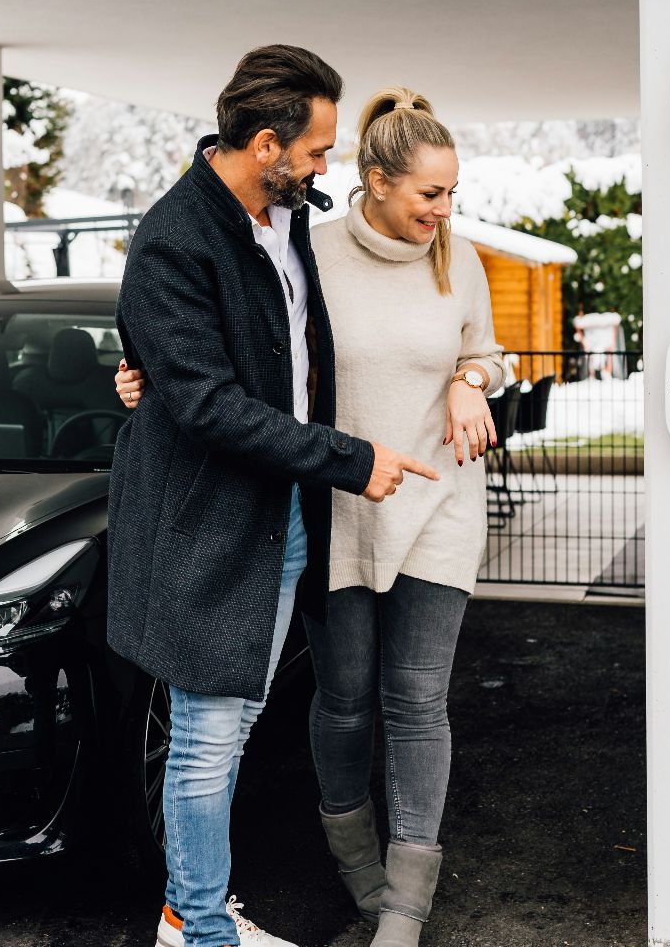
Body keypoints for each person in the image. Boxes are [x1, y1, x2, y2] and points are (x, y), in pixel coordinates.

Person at [117, 86, 504, 947]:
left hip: (433, 503)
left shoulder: (457, 258)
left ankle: (402, 904)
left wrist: (469, 380)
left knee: (415, 702)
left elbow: (484, 352)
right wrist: (150, 375)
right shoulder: (305, 247)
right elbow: (237, 363)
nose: (444, 211)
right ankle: (344, 873)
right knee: (340, 701)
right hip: (335, 501)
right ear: (377, 181)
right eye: (430, 194)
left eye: (452, 195)